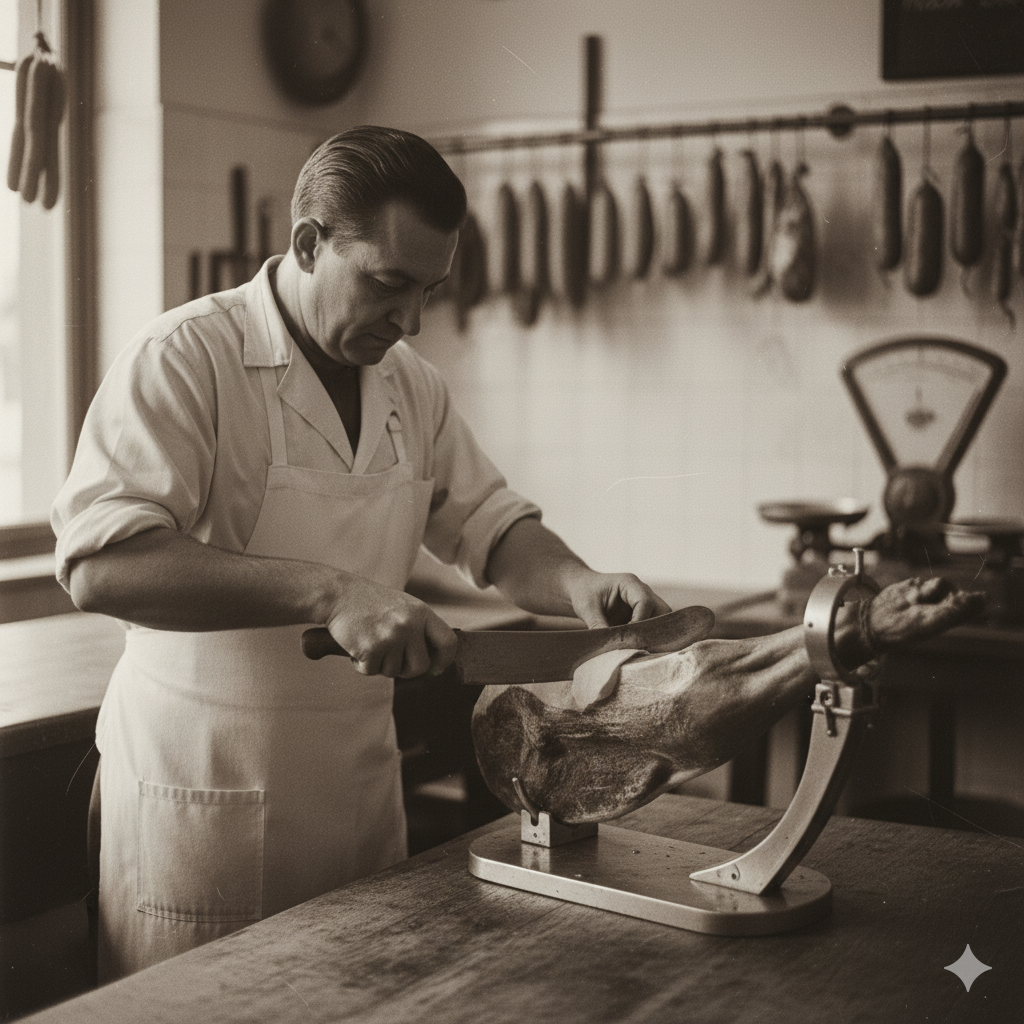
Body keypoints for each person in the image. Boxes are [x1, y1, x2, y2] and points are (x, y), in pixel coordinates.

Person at [51, 126, 670, 981]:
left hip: (355, 793)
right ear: (309, 244)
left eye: (430, 291)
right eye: (389, 284)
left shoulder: (409, 383)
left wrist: (578, 582)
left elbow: (488, 525)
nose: (411, 320)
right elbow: (99, 563)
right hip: (203, 794)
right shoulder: (187, 357)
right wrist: (328, 593)